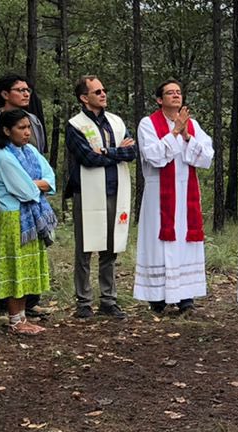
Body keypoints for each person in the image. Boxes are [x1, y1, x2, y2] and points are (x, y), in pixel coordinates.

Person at [134, 80, 214, 314]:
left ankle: (186, 297)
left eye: (178, 92)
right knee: (159, 243)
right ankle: (157, 297)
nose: (176, 96)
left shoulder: (193, 125)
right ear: (160, 100)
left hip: (186, 189)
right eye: (170, 93)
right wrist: (175, 132)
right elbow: (153, 157)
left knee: (185, 243)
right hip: (159, 193)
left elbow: (206, 157)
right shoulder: (147, 124)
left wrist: (188, 136)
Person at [64, 75, 136, 319]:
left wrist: (107, 151)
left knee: (110, 247)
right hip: (87, 193)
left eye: (104, 90)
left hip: (116, 189)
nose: (103, 94)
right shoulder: (75, 124)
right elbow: (87, 158)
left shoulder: (116, 121)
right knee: (85, 248)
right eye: (97, 92)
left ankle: (108, 299)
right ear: (84, 98)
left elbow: (132, 152)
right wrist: (118, 152)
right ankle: (83, 302)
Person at [0, 75, 46, 315]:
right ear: (5, 94)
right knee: (0, 253)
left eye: (28, 89)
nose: (26, 94)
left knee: (28, 251)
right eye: (20, 90)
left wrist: (34, 183)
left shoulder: (35, 121)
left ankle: (27, 303)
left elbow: (40, 156)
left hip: (30, 200)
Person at [0, 107, 57, 334]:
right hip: (14, 218)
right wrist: (35, 184)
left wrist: (31, 182)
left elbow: (51, 179)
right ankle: (15, 320)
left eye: (28, 127)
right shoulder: (3, 157)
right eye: (21, 128)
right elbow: (26, 192)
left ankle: (22, 317)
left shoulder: (30, 152)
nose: (27, 132)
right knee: (14, 268)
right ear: (7, 130)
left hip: (30, 219)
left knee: (26, 267)